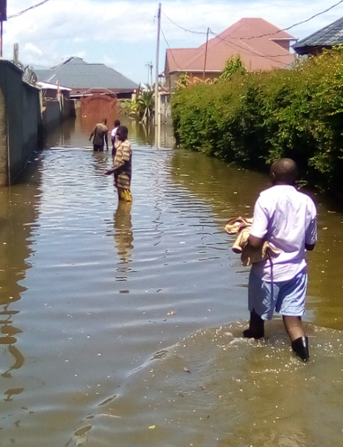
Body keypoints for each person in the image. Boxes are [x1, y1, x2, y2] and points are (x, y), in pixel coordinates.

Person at [244, 158, 318, 362]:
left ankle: (255, 357)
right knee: (294, 322)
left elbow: (256, 241)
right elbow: (310, 244)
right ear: (295, 177)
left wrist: (243, 242)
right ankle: (304, 360)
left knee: (257, 317)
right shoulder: (307, 202)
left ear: (273, 176)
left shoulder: (266, 199)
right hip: (297, 271)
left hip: (268, 271)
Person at [105, 126, 133, 202]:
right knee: (121, 200)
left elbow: (125, 163)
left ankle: (126, 213)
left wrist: (112, 170)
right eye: (117, 135)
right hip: (119, 176)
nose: (117, 136)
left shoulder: (126, 145)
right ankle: (120, 213)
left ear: (125, 134)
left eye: (119, 135)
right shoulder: (120, 143)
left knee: (127, 200)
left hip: (124, 176)